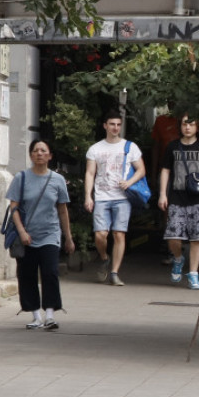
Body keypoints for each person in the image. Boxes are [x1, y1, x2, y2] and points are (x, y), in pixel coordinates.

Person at [7, 139, 74, 330]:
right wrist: (22, 232)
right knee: (27, 275)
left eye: (43, 150)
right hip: (27, 235)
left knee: (50, 272)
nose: (39, 153)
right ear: (30, 156)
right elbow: (14, 208)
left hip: (50, 233)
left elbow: (62, 209)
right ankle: (36, 315)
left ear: (50, 156)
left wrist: (68, 237)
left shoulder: (57, 180)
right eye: (35, 151)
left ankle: (50, 315)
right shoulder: (22, 178)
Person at [84, 109, 146, 286]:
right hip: (102, 196)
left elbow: (141, 170)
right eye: (112, 124)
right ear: (105, 126)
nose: (115, 128)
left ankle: (114, 272)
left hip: (122, 197)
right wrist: (88, 196)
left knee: (119, 234)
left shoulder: (130, 146)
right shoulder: (95, 149)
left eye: (118, 125)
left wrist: (129, 182)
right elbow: (90, 173)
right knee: (100, 235)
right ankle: (104, 257)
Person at [158, 113, 199, 290]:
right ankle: (178, 258)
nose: (188, 127)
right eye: (185, 124)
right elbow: (165, 170)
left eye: (191, 124)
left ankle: (193, 274)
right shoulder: (173, 147)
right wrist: (162, 193)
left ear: (197, 126)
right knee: (173, 236)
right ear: (180, 126)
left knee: (196, 238)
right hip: (177, 197)